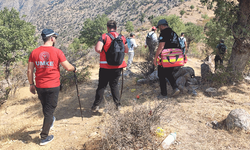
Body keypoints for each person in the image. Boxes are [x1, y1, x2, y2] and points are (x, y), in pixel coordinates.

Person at [27, 29, 76, 145]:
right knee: (49, 110)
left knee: (46, 107)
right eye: (55, 38)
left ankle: (49, 121)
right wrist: (75, 68)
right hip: (53, 85)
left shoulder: (34, 52)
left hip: (40, 85)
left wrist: (31, 84)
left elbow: (29, 70)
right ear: (52, 39)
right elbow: (68, 67)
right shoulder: (57, 52)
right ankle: (44, 137)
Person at [91, 20, 128, 111]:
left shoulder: (104, 36)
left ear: (108, 28)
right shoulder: (122, 37)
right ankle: (117, 105)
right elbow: (126, 50)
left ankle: (96, 105)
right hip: (118, 67)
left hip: (105, 67)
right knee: (114, 85)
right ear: (116, 27)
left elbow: (98, 49)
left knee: (102, 86)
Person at [153, 19, 180, 99]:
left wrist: (155, 58)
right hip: (174, 58)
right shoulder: (174, 33)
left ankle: (163, 94)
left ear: (161, 26)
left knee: (161, 75)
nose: (159, 29)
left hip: (165, 58)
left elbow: (161, 47)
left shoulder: (164, 33)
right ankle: (175, 88)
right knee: (168, 73)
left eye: (159, 27)